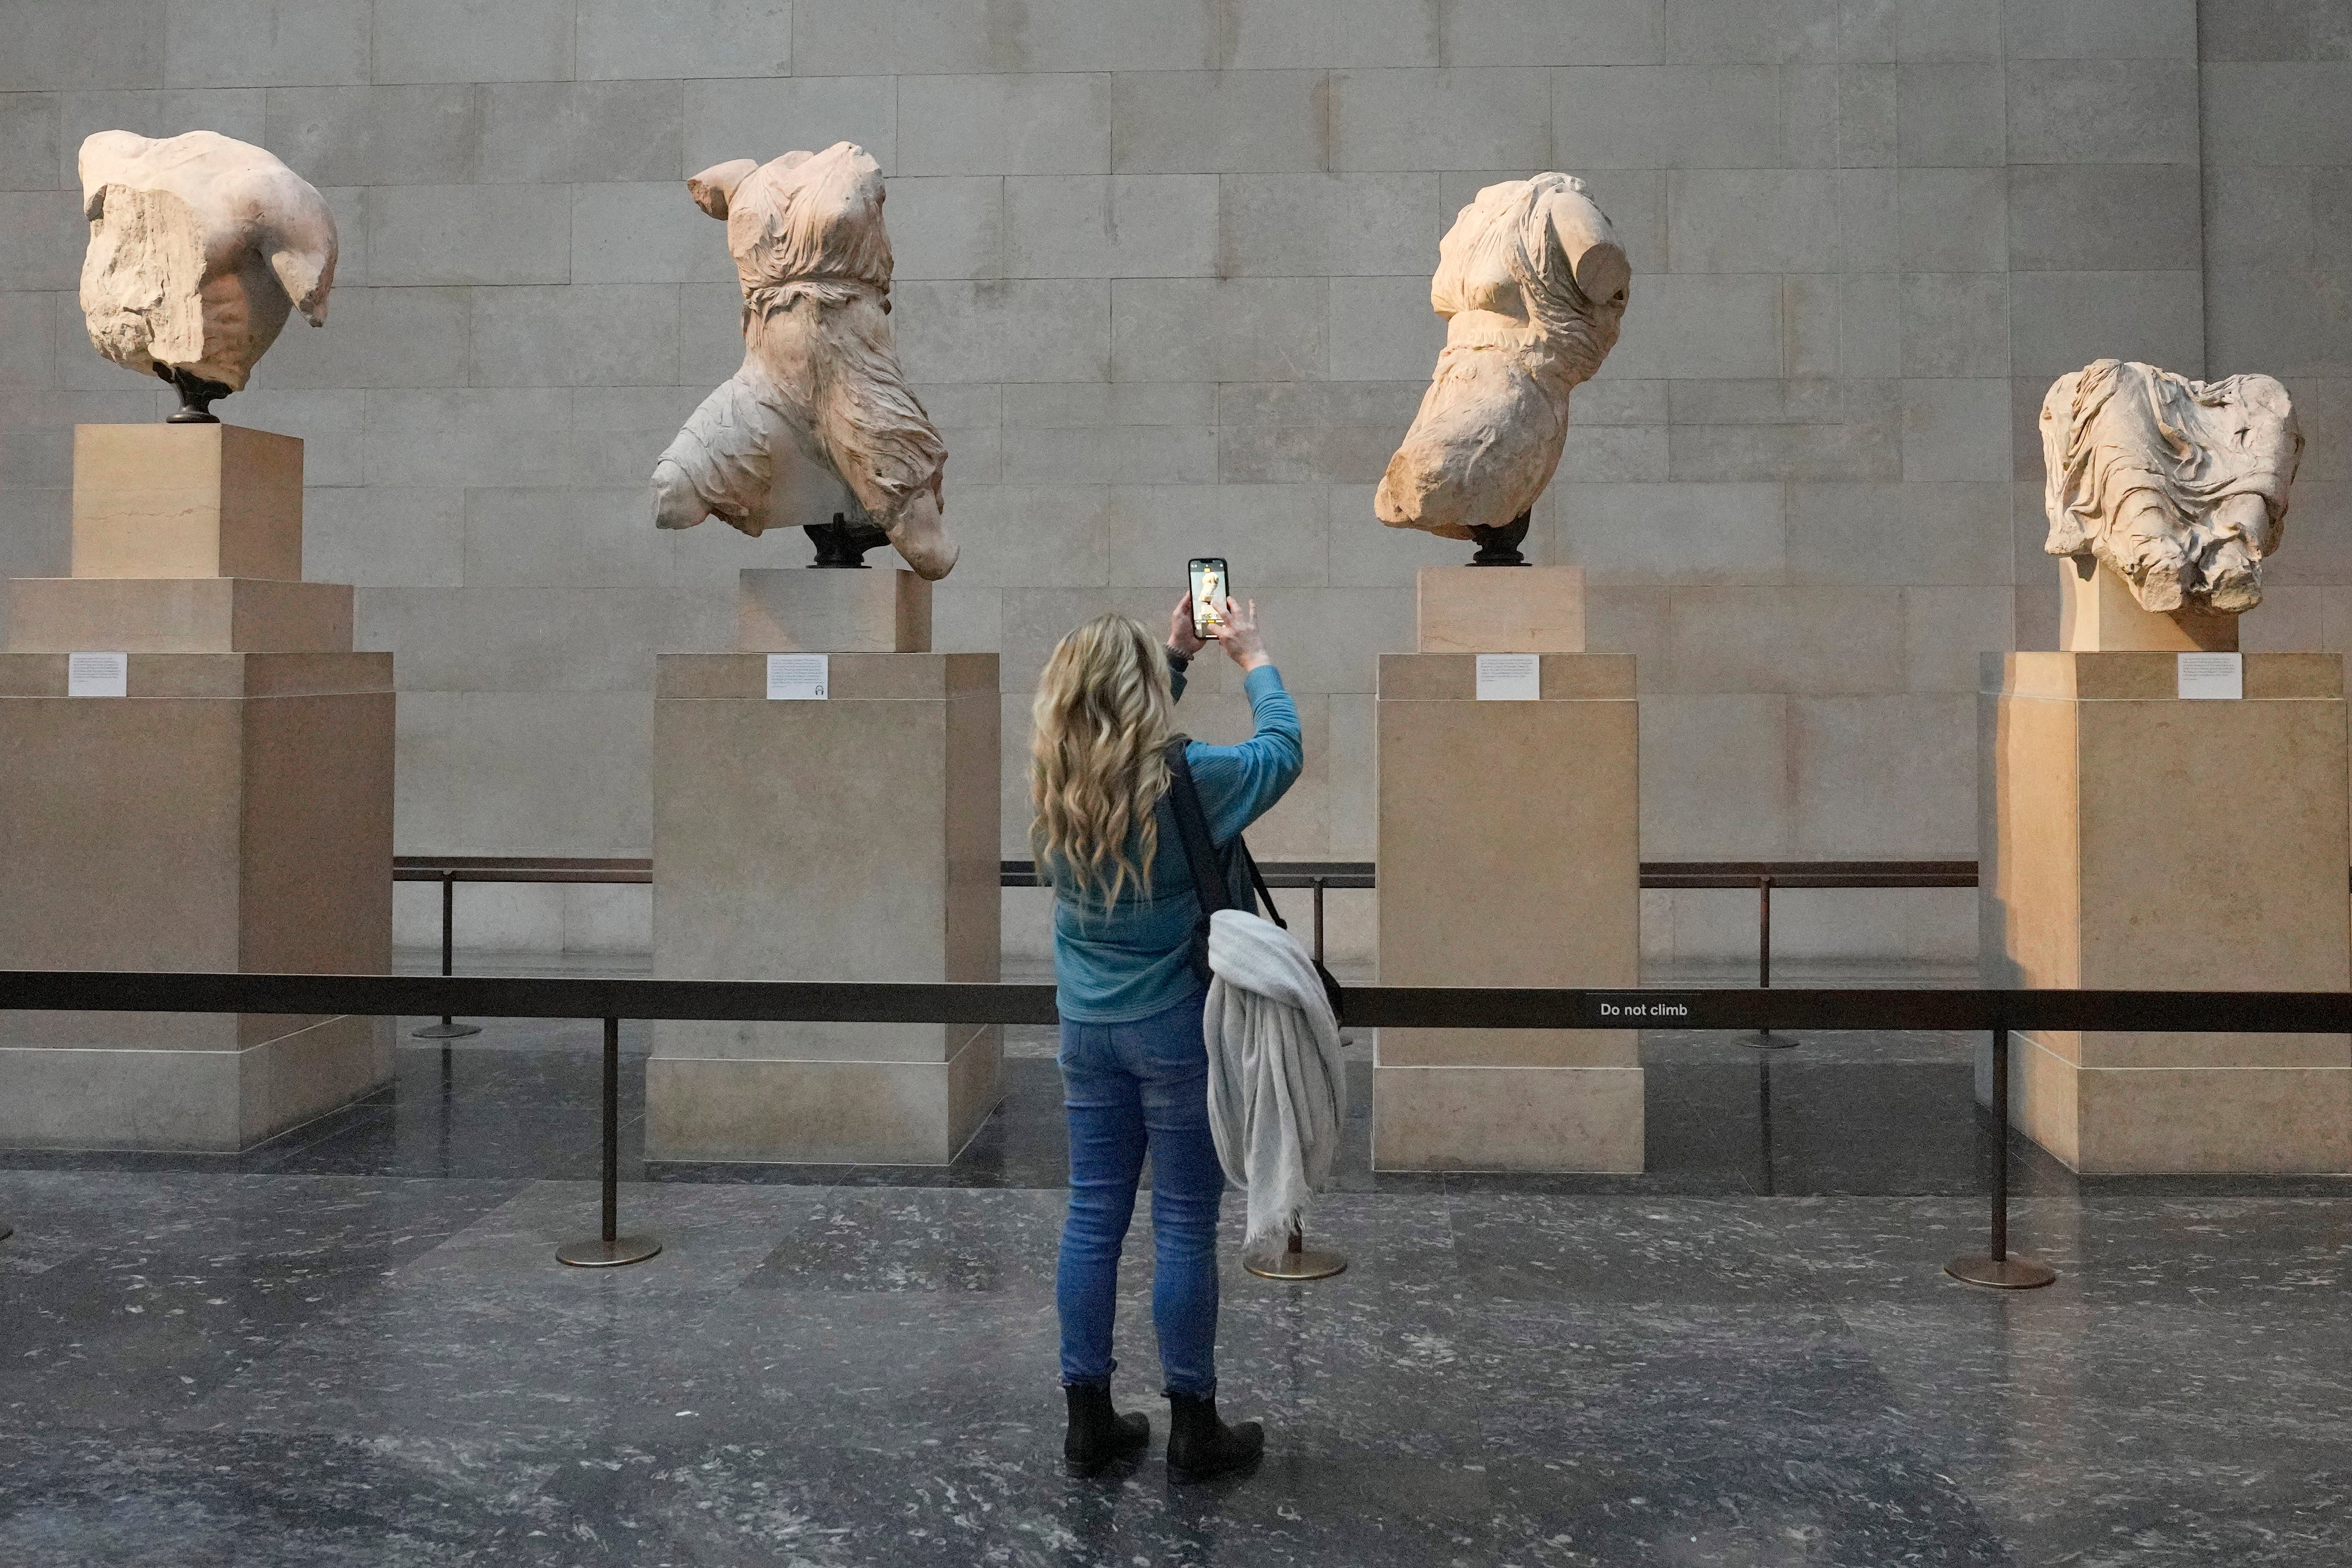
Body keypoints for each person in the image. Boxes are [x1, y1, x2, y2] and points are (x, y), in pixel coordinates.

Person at [1029, 594, 1302, 1480]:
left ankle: (1087, 1419)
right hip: (1174, 1029)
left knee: (1093, 1214)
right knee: (1184, 1223)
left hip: (1085, 1030)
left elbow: (1122, 740)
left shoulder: (1057, 782)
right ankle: (1194, 1425)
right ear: (1145, 691)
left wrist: (1172, 657)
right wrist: (1250, 654)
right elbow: (1282, 750)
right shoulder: (1194, 778)